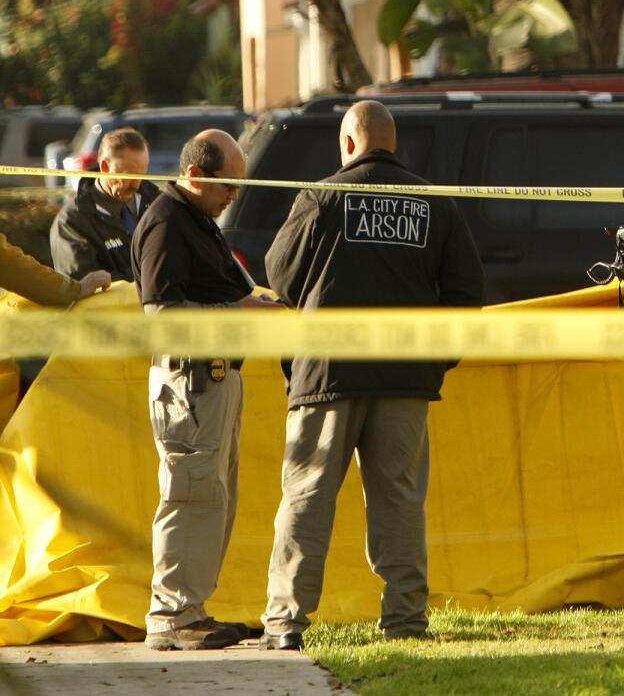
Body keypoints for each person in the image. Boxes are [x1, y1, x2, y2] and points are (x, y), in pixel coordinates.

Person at [259, 100, 485, 650]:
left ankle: (287, 622)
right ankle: (405, 620)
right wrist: (434, 358)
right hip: (405, 379)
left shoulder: (320, 196)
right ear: (393, 144)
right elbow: (466, 295)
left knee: (308, 496)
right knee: (400, 500)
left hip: (326, 376)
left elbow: (279, 275)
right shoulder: (434, 204)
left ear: (347, 144)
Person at [131, 129, 281, 651]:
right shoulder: (166, 224)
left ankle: (191, 610)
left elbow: (228, 290)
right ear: (194, 175)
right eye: (227, 186)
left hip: (213, 381)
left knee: (211, 499)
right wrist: (238, 313)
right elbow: (161, 319)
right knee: (189, 495)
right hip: (189, 384)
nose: (233, 196)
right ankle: (172, 616)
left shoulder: (197, 219)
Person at [51, 128, 159, 281]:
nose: (136, 185)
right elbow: (82, 283)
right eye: (129, 175)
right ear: (105, 168)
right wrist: (152, 276)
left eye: (142, 174)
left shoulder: (157, 204)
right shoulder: (72, 222)